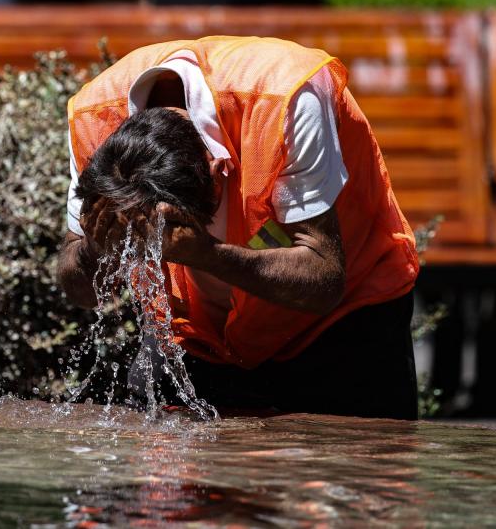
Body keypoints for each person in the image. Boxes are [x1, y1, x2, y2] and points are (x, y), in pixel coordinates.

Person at [57, 36, 420, 420]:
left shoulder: (289, 98)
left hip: (340, 322)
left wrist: (208, 255)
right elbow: (82, 292)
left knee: (367, 467)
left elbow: (324, 277)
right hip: (198, 336)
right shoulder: (94, 122)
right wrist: (98, 245)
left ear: (217, 175)